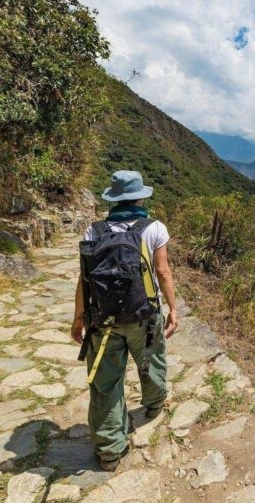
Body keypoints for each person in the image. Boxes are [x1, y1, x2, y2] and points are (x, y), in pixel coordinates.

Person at [72, 170, 179, 471]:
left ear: (113, 198)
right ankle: (154, 402)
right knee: (151, 360)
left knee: (105, 384)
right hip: (145, 315)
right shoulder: (154, 228)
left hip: (103, 319)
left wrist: (79, 318)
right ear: (141, 196)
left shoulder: (94, 231)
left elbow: (84, 279)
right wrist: (173, 308)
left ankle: (109, 451)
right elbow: (163, 272)